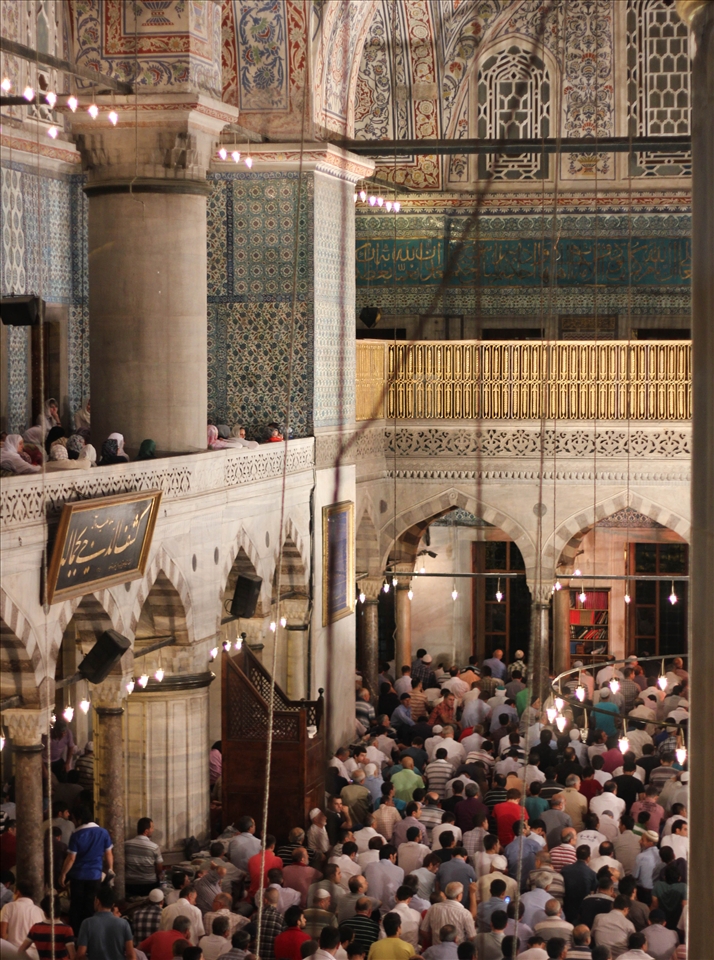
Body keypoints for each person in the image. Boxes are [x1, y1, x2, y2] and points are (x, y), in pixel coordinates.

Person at [58, 805, 114, 935]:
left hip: (78, 875)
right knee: (91, 905)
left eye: (73, 819)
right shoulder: (103, 832)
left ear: (79, 819)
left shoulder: (77, 835)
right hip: (95, 875)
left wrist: (63, 874)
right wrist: (110, 869)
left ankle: (75, 933)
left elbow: (71, 858)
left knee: (76, 905)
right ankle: (90, 932)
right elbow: (109, 854)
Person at [76, 883, 136, 960]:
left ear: (97, 901)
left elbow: (80, 955)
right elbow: (131, 955)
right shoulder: (124, 924)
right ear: (113, 905)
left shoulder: (87, 923)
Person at [125, 818, 164, 897]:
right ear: (146, 831)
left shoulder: (126, 844)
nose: (153, 830)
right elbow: (159, 868)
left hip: (130, 884)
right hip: (149, 884)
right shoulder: (154, 847)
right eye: (152, 828)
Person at [0, 880, 44, 947]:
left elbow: (2, 934)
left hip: (13, 951)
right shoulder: (40, 911)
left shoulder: (8, 907)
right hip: (33, 952)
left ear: (17, 892)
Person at [590, 895, 635, 960]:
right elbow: (634, 946)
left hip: (600, 957)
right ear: (626, 909)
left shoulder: (598, 918)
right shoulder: (629, 925)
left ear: (613, 905)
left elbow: (592, 935)